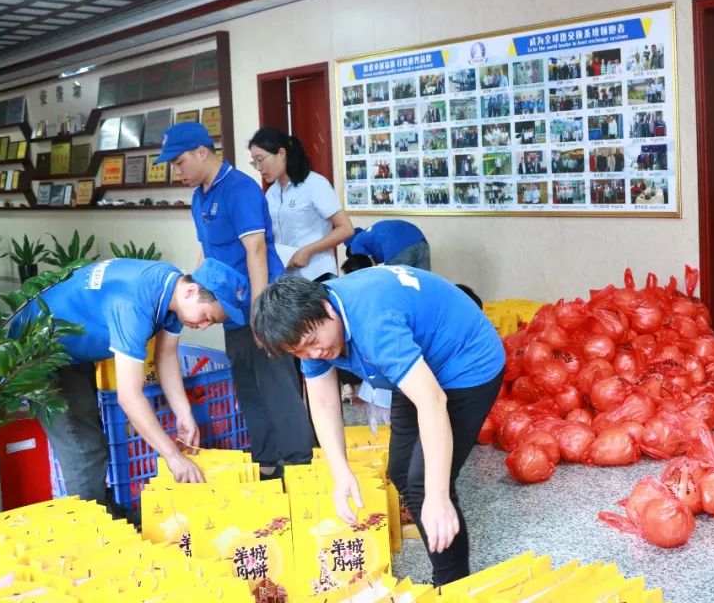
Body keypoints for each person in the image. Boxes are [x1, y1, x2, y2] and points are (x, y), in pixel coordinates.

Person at [251, 269, 504, 585]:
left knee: (425, 481)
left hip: (466, 361)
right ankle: (444, 552)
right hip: (420, 363)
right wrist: (340, 472)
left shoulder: (372, 323)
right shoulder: (308, 324)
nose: (313, 354)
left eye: (312, 343)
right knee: (400, 470)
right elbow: (324, 401)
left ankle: (451, 584)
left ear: (328, 308)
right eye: (300, 352)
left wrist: (437, 496)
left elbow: (432, 402)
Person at [14, 258, 248, 508]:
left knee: (91, 434)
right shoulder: (133, 305)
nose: (202, 326)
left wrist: (184, 413)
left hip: (70, 345)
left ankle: (102, 511)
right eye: (206, 317)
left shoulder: (172, 286)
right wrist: (172, 456)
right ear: (192, 291)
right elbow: (129, 396)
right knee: (83, 446)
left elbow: (166, 355)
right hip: (39, 350)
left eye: (210, 322)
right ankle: (92, 529)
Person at [157, 121, 314, 477]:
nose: (176, 171)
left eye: (179, 162)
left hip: (262, 304)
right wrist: (191, 297)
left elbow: (256, 250)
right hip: (230, 310)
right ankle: (268, 465)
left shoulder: (239, 189)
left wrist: (261, 314)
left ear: (201, 152)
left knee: (277, 387)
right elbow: (206, 252)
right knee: (249, 389)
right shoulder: (201, 196)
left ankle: (301, 469)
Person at [248, 128, 354, 283]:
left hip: (317, 274)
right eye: (254, 162)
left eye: (261, 159)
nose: (258, 167)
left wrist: (308, 251)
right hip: (286, 277)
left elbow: (346, 229)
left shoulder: (315, 184)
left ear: (281, 154)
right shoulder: (271, 193)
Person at [344, 219, 429, 270]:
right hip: (419, 239)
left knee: (396, 285)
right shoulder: (369, 233)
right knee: (422, 283)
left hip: (397, 247)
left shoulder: (355, 244)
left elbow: (372, 268)